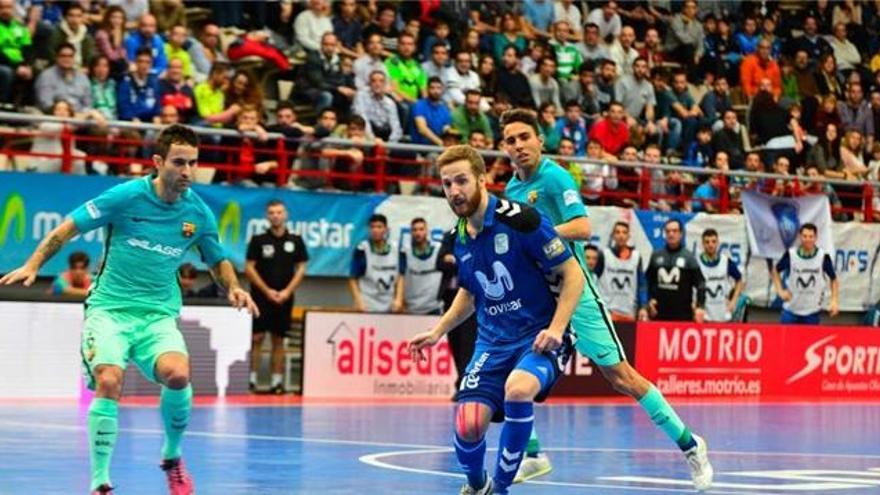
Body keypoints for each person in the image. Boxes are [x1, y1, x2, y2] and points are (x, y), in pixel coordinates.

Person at [0, 124, 259, 495]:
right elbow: (67, 228)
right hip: (110, 310)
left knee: (179, 374)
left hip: (157, 315)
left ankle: (171, 457)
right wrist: (33, 264)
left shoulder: (198, 213)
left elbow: (217, 260)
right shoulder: (125, 196)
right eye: (179, 163)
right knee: (108, 380)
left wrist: (233, 286)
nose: (187, 172)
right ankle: (100, 482)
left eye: (194, 163)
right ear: (158, 162)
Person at [501, 110, 713, 490]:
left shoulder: (555, 178)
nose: (518, 146)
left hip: (575, 292)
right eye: (510, 140)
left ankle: (690, 445)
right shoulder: (511, 192)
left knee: (622, 378)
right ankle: (533, 455)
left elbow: (583, 228)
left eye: (524, 137)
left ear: (539, 141)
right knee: (511, 366)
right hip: (537, 298)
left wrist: (537, 237)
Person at [408, 144, 583, 495]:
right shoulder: (459, 235)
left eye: (462, 181)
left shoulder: (523, 219)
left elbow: (573, 273)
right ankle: (479, 485)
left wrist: (557, 329)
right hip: (491, 342)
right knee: (468, 423)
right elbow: (472, 292)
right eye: (447, 184)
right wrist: (437, 331)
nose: (455, 191)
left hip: (538, 336)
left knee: (518, 390)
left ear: (482, 179)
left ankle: (500, 489)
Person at [245, 200, 308, 394]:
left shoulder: (296, 240)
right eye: (271, 212)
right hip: (261, 298)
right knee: (257, 338)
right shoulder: (258, 240)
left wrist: (287, 291)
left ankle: (276, 383)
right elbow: (248, 268)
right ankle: (252, 381)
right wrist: (266, 291)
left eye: (279, 212)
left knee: (279, 340)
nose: (275, 216)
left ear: (286, 214)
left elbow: (302, 268)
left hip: (284, 297)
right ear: (267, 216)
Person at [771, 223, 839, 324]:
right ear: (800, 237)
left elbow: (834, 279)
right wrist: (780, 290)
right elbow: (775, 271)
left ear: (816, 238)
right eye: (805, 236)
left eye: (811, 236)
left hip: (811, 312)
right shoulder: (791, 255)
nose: (808, 239)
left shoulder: (823, 257)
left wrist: (834, 300)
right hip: (791, 310)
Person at [644, 219, 706, 322]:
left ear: (681, 234)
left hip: (683, 316)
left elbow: (701, 283)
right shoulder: (656, 255)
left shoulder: (688, 257)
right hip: (659, 315)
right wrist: (648, 301)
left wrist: (700, 306)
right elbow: (647, 281)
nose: (671, 234)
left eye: (675, 231)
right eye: (668, 231)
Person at [349, 214, 401, 313]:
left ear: (386, 229)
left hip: (390, 307)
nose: (375, 230)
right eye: (372, 227)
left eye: (379, 227)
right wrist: (359, 301)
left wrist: (398, 299)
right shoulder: (362, 249)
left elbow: (400, 276)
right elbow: (352, 278)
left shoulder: (396, 249)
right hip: (368, 305)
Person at [596, 221, 646, 321]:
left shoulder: (636, 257)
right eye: (617, 232)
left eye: (624, 232)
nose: (621, 235)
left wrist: (643, 307)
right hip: (608, 313)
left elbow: (641, 284)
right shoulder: (604, 255)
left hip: (629, 313)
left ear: (628, 236)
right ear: (613, 235)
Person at [397, 217, 443, 315]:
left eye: (421, 229)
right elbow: (401, 276)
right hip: (411, 308)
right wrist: (399, 300)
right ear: (411, 232)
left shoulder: (439, 249)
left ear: (427, 231)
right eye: (415, 230)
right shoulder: (405, 252)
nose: (418, 233)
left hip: (434, 308)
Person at [697, 229, 744, 322]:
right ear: (702, 244)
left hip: (723, 314)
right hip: (705, 316)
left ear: (718, 243)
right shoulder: (696, 262)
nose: (710, 245)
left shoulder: (725, 261)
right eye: (707, 242)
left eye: (713, 241)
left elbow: (739, 280)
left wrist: (734, 301)